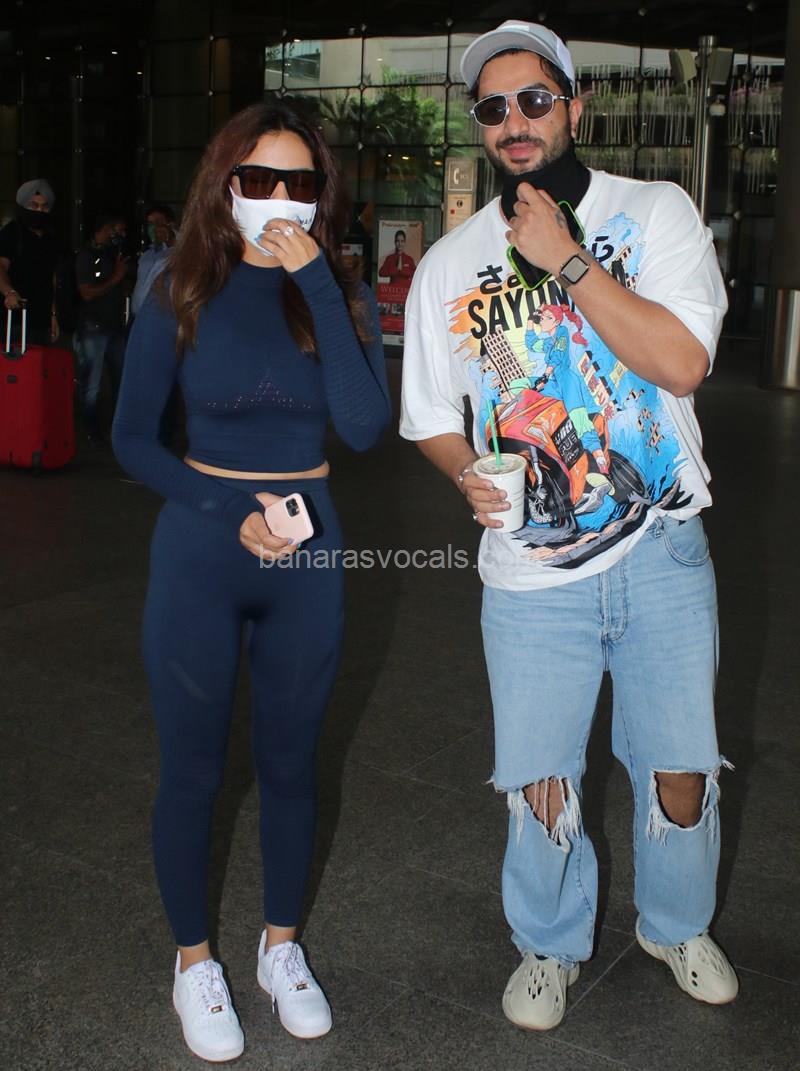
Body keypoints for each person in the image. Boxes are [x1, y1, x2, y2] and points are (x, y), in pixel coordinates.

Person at [400, 20, 737, 1032]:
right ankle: (547, 942)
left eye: (534, 99)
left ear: (573, 108)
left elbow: (681, 364)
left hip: (661, 547)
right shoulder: (450, 264)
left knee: (680, 770)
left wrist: (567, 262)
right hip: (530, 569)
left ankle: (674, 924)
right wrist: (466, 471)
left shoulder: (654, 212)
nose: (514, 120)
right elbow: (430, 415)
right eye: (493, 106)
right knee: (539, 777)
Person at [112, 101, 390, 1063]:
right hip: (202, 546)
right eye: (260, 180)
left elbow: (364, 428)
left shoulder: (340, 296)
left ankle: (280, 948)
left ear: (321, 196)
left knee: (291, 763)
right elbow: (131, 438)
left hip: (308, 556)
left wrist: (315, 281)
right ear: (225, 186)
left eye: (299, 182)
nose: (279, 198)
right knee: (192, 766)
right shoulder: (181, 287)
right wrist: (227, 509)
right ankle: (193, 961)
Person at [74, 212, 130, 441]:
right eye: (116, 230)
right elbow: (87, 293)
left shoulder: (112, 255)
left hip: (114, 327)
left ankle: (118, 430)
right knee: (92, 386)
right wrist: (117, 277)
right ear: (104, 229)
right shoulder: (87, 256)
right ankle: (91, 431)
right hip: (93, 328)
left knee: (121, 381)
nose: (119, 235)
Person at [0, 179, 60, 345]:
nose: (39, 210)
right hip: (14, 319)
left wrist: (53, 315)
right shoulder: (11, 232)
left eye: (44, 207)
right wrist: (9, 292)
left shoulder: (50, 238)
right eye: (34, 206)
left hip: (42, 321)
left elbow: (52, 279)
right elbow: (1, 266)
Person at [131, 204, 177, 317]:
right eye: (150, 224)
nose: (153, 227)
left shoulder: (178, 253)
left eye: (158, 222)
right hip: (139, 318)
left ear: (171, 225)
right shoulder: (146, 256)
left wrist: (171, 239)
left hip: (161, 318)